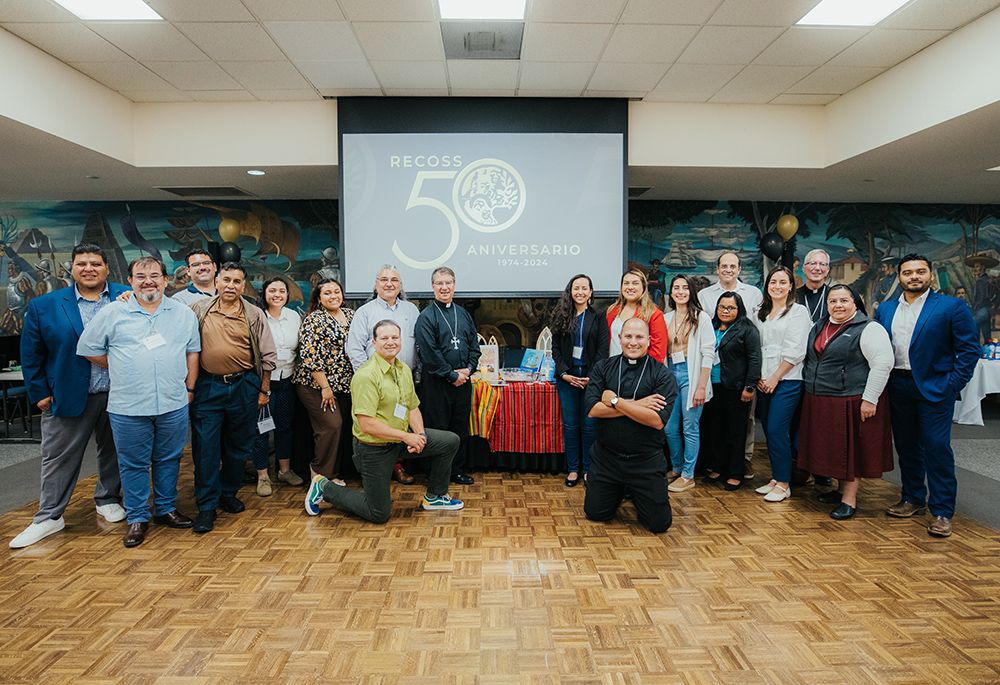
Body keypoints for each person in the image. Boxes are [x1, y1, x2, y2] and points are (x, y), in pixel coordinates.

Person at [77, 257, 200, 547]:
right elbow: (88, 348)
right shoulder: (113, 312)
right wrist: (122, 365)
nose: (148, 281)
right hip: (128, 406)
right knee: (132, 464)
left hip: (173, 402)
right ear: (130, 281)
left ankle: (166, 509)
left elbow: (192, 352)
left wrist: (190, 388)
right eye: (140, 276)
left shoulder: (183, 314)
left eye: (155, 276)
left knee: (170, 459)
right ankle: (136, 518)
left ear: (166, 280)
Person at [11, 244, 127, 549]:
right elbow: (32, 354)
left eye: (95, 263)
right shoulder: (45, 305)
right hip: (68, 394)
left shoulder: (127, 296)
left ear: (106, 268)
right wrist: (39, 394)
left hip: (121, 394)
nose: (89, 268)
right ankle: (49, 516)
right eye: (82, 263)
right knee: (58, 458)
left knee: (114, 452)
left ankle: (108, 498)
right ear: (71, 268)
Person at [305, 319, 462, 522]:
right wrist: (407, 436)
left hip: (399, 441)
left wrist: (420, 434)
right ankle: (323, 487)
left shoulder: (403, 369)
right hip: (373, 448)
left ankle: (436, 496)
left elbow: (412, 407)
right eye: (384, 338)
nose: (390, 342)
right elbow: (367, 425)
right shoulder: (366, 376)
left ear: (401, 341)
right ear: (374, 342)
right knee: (378, 514)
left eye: (394, 337)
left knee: (450, 441)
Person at [874, 254, 979, 537]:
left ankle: (943, 511)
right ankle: (912, 498)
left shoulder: (951, 306)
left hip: (935, 387)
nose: (914, 277)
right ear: (899, 278)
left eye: (921, 272)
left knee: (936, 447)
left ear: (931, 275)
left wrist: (952, 384)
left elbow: (970, 350)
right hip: (897, 385)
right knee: (907, 447)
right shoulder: (885, 310)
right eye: (908, 273)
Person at [188, 262, 277, 534]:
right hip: (207, 387)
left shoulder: (254, 313)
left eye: (237, 282)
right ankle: (206, 506)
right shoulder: (198, 310)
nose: (231, 286)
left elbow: (267, 356)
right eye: (226, 280)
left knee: (239, 447)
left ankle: (228, 492)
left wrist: (263, 390)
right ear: (216, 281)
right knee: (206, 450)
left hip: (244, 386)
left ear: (243, 285)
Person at [798, 285, 894, 520]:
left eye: (844, 300)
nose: (838, 305)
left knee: (852, 451)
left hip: (853, 399)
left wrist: (870, 400)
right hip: (822, 397)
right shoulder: (821, 325)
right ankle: (839, 490)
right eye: (832, 301)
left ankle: (849, 500)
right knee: (835, 450)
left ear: (855, 303)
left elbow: (883, 364)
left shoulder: (869, 328)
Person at [582, 318, 678, 534]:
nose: (633, 342)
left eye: (639, 337)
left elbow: (656, 420)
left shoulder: (662, 375)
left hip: (645, 462)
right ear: (619, 338)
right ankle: (621, 490)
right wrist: (639, 405)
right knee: (596, 514)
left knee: (659, 525)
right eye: (628, 336)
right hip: (607, 459)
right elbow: (592, 410)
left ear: (649, 341)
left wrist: (617, 401)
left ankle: (634, 491)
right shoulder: (603, 367)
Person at [346, 264, 421, 484]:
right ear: (376, 284)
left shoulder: (411, 310)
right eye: (384, 279)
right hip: (376, 382)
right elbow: (354, 348)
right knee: (378, 424)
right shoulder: (365, 311)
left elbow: (417, 346)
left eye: (394, 280)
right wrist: (368, 377)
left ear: (400, 285)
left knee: (400, 421)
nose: (389, 284)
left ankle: (397, 466)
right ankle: (376, 469)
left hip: (405, 377)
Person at [697, 251, 763, 479]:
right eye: (722, 308)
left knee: (737, 430)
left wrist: (750, 386)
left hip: (737, 385)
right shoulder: (712, 323)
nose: (725, 311)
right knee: (716, 428)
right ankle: (718, 467)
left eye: (730, 308)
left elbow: (755, 358)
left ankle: (736, 471)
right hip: (713, 384)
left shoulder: (748, 327)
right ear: (717, 268)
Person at [414, 267, 481, 486]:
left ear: (454, 285)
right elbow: (429, 353)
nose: (444, 287)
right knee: (438, 429)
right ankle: (436, 472)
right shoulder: (426, 317)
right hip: (437, 383)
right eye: (439, 283)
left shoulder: (463, 314)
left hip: (463, 382)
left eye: (448, 283)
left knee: (460, 427)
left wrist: (469, 369)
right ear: (432, 286)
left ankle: (456, 470)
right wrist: (451, 375)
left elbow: (474, 346)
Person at [753, 267, 812, 503]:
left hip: (787, 380)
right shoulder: (761, 311)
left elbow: (796, 351)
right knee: (769, 431)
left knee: (778, 431)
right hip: (763, 380)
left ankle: (785, 484)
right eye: (772, 281)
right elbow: (756, 347)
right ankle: (777, 478)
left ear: (791, 286)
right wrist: (759, 376)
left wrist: (775, 377)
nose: (777, 286)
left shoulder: (798, 312)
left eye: (782, 282)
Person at [550, 273, 609, 487]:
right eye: (576, 288)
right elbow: (555, 349)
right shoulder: (561, 315)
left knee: (589, 425)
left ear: (591, 292)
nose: (580, 292)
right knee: (571, 425)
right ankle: (573, 469)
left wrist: (591, 378)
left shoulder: (599, 316)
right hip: (567, 379)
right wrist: (565, 374)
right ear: (570, 291)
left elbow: (603, 351)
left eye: (585, 288)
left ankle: (588, 469)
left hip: (591, 380)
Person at [293, 278, 354, 486]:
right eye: (327, 293)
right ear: (318, 298)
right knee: (331, 425)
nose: (333, 296)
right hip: (316, 385)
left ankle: (332, 474)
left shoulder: (350, 315)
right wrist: (325, 388)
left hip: (344, 385)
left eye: (337, 291)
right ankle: (319, 474)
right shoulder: (314, 320)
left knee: (339, 429)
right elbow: (311, 357)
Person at [250, 276, 303, 496]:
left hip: (288, 381)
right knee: (261, 430)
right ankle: (262, 476)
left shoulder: (294, 317)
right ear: (264, 294)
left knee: (284, 427)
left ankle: (284, 470)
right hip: (263, 382)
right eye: (273, 291)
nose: (278, 295)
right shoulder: (257, 317)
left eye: (282, 291)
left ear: (287, 295)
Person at [662, 274, 714, 492]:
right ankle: (676, 467)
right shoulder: (665, 318)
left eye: (685, 287)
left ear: (691, 292)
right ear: (671, 292)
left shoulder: (701, 318)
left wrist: (701, 387)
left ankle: (688, 475)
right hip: (670, 374)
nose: (680, 291)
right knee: (669, 427)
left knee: (690, 427)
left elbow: (708, 353)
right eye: (676, 288)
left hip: (692, 376)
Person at [605, 268, 667, 363]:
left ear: (643, 287)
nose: (630, 287)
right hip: (612, 369)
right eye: (626, 283)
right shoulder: (612, 310)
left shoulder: (654, 314)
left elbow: (658, 352)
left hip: (640, 372)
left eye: (635, 283)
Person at [795, 249, 837, 324]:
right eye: (813, 263)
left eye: (822, 264)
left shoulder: (835, 297)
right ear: (804, 269)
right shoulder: (793, 296)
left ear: (827, 270)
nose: (817, 268)